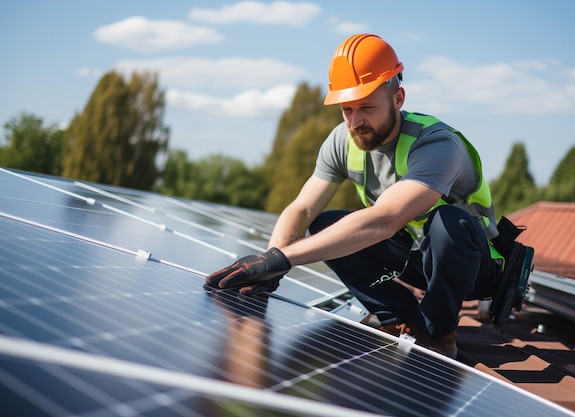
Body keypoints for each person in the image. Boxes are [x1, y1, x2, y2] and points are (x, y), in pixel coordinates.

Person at [206, 34, 533, 359]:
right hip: (417, 259)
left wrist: (285, 258)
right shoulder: (342, 141)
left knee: (447, 222)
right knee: (325, 225)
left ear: (398, 98)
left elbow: (386, 219)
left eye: (366, 107)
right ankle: (402, 318)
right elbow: (303, 208)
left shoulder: (436, 145)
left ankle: (440, 336)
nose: (355, 121)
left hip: (474, 267)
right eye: (346, 109)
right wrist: (271, 263)